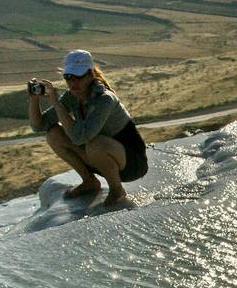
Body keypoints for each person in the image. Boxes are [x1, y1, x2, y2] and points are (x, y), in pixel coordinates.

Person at [28, 49, 148, 205]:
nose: (73, 82)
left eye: (78, 77)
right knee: (53, 134)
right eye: (68, 77)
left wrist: (56, 103)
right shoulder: (72, 96)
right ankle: (89, 180)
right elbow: (39, 126)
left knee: (94, 144)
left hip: (131, 164)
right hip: (101, 158)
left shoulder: (105, 99)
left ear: (90, 74)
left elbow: (80, 137)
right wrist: (34, 100)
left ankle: (116, 189)